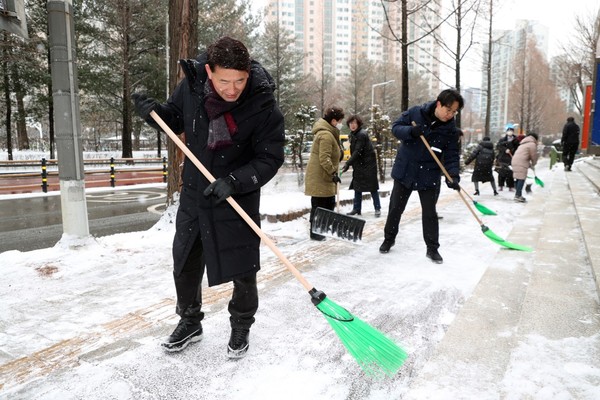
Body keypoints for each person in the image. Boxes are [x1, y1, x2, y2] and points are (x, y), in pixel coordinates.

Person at [132, 37, 285, 358]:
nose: (232, 89)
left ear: (248, 75)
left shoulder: (261, 102)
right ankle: (189, 320)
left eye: (240, 80)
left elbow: (270, 157)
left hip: (235, 195)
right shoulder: (191, 86)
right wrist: (153, 113)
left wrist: (235, 180)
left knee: (242, 266)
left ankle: (241, 324)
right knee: (185, 260)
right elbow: (174, 117)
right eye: (224, 80)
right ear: (209, 72)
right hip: (194, 193)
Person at [379, 88, 464, 264]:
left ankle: (432, 249)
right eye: (449, 110)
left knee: (430, 213)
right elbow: (395, 128)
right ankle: (389, 238)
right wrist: (410, 131)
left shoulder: (450, 130)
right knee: (396, 208)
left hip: (429, 174)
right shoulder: (416, 113)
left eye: (454, 112)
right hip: (406, 170)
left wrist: (453, 176)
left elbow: (451, 156)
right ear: (439, 104)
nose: (450, 115)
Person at [304, 106, 345, 241]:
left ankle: (323, 229)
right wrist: (333, 173)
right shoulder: (326, 135)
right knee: (320, 205)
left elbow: (332, 154)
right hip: (321, 177)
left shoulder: (329, 133)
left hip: (324, 176)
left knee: (327, 204)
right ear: (333, 121)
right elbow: (324, 158)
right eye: (339, 121)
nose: (340, 124)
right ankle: (315, 232)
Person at [342, 114, 381, 217]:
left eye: (354, 123)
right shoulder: (352, 134)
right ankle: (356, 208)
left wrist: (348, 163)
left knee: (372, 187)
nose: (352, 125)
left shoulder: (361, 135)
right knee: (357, 187)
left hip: (368, 165)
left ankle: (377, 208)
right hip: (359, 165)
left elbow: (357, 151)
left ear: (358, 124)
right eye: (350, 123)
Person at [511, 132, 539, 202]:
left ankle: (518, 194)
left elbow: (523, 155)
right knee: (521, 178)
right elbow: (534, 156)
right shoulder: (532, 144)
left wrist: (529, 164)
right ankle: (517, 195)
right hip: (521, 162)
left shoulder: (523, 143)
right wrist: (534, 163)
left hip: (515, 161)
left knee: (518, 178)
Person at [495, 127, 518, 192]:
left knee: (510, 172)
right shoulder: (502, 139)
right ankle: (501, 185)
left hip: (511, 158)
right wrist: (505, 149)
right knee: (502, 172)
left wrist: (512, 150)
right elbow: (498, 146)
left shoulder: (516, 140)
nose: (510, 132)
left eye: (511, 131)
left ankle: (510, 186)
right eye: (508, 131)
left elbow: (517, 147)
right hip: (502, 158)